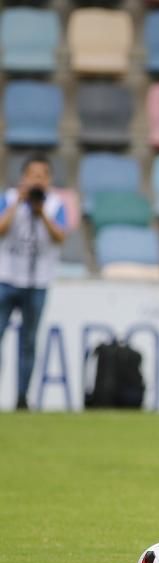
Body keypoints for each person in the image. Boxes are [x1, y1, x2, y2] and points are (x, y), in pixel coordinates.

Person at [0, 155, 67, 411]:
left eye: (42, 176)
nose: (37, 180)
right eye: (33, 175)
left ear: (49, 180)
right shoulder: (8, 200)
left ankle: (22, 398)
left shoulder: (55, 205)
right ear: (23, 178)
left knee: (28, 342)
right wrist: (17, 204)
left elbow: (60, 236)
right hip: (5, 279)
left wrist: (41, 214)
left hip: (38, 282)